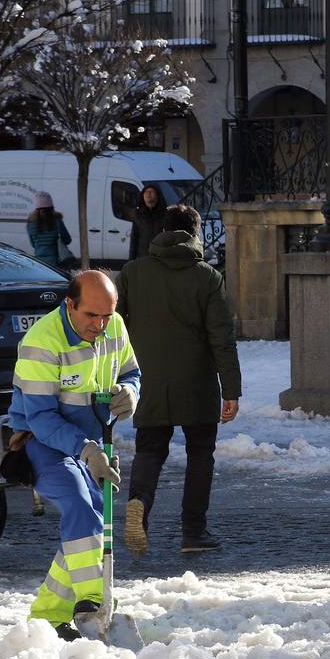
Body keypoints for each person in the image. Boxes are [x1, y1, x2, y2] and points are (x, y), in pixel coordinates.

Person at [9, 270, 141, 640]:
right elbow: (40, 417)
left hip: (92, 441)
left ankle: (47, 616)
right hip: (42, 441)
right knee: (81, 507)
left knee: (92, 522)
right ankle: (91, 603)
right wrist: (86, 449)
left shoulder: (113, 327)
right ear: (70, 304)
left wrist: (131, 393)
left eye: (107, 315)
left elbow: (132, 372)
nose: (100, 325)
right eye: (91, 316)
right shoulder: (42, 341)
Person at [116, 203, 241, 554]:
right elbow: (222, 338)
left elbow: (116, 328)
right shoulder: (207, 276)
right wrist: (231, 389)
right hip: (196, 381)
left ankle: (139, 502)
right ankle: (193, 532)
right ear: (195, 233)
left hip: (148, 379)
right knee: (201, 453)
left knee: (150, 449)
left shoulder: (133, 273)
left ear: (161, 231)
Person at [26, 191, 75, 271]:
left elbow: (33, 244)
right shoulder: (56, 221)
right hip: (56, 262)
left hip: (38, 261)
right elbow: (67, 240)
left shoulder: (31, 223)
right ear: (51, 206)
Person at [127, 184, 169, 264]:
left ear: (157, 195)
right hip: (143, 258)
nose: (149, 194)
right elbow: (134, 238)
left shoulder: (165, 214)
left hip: (160, 259)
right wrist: (131, 260)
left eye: (151, 191)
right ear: (142, 196)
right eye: (146, 192)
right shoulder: (138, 214)